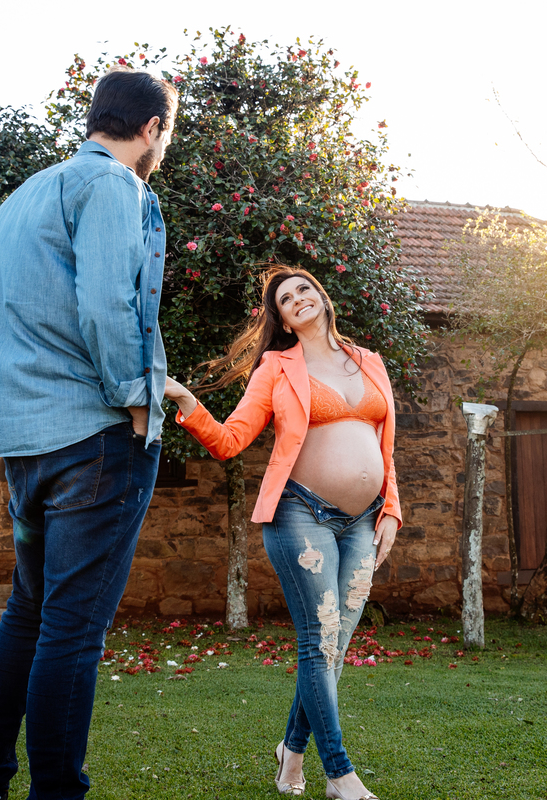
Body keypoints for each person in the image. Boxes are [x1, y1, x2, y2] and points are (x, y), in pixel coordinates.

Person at [0, 67, 177, 800]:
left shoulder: (24, 194)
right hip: (96, 437)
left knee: (28, 613)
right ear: (152, 128)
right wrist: (137, 400)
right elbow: (108, 306)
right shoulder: (115, 187)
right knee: (73, 631)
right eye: (165, 133)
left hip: (26, 442)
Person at [163, 267, 400, 800]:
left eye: (304, 290)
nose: (297, 300)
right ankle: (339, 774)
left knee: (333, 649)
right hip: (301, 516)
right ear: (282, 318)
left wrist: (392, 513)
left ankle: (290, 755)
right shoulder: (276, 367)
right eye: (285, 299)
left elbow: (386, 447)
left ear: (321, 296)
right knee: (320, 640)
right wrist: (185, 401)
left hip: (365, 520)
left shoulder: (369, 362)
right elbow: (230, 441)